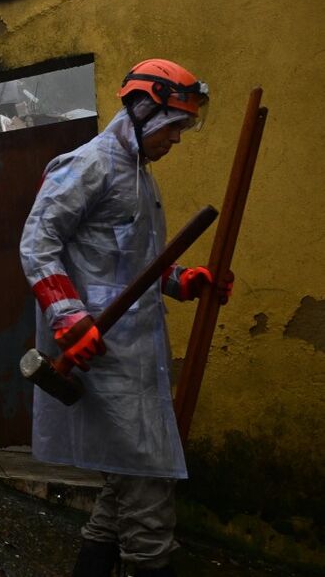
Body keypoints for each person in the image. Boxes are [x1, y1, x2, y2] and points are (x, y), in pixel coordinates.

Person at [19, 59, 233, 577]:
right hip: (103, 352)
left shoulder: (138, 175)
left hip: (135, 353)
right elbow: (37, 243)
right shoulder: (89, 165)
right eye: (174, 125)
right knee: (149, 490)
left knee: (124, 484)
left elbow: (132, 265)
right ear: (145, 112)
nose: (177, 139)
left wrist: (183, 282)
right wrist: (68, 316)